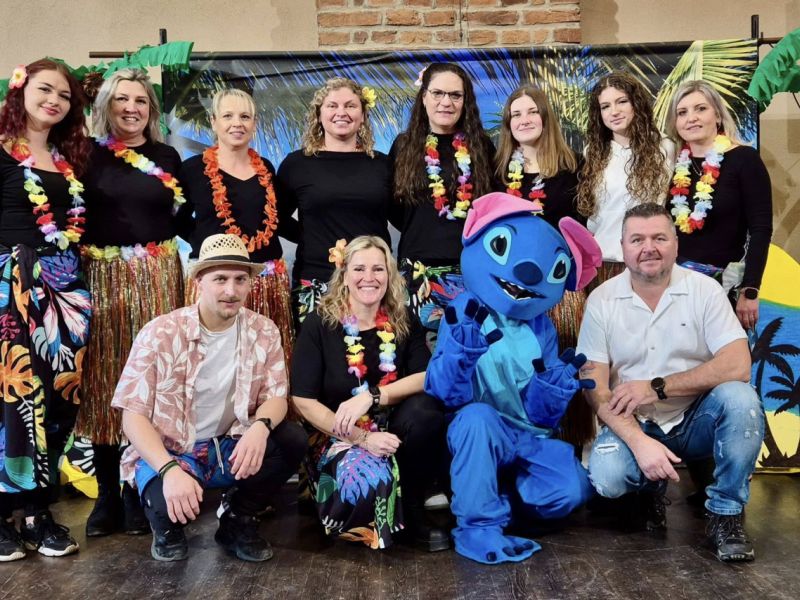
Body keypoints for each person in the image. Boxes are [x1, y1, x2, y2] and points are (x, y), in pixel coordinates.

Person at [577, 203, 764, 562]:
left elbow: (738, 364)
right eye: (637, 239)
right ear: (623, 247)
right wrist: (639, 443)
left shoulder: (705, 290)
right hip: (635, 422)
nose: (649, 248)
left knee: (741, 399)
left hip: (697, 418)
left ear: (676, 244)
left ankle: (726, 515)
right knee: (609, 479)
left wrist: (656, 386)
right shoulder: (601, 300)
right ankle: (649, 488)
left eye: (659, 238)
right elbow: (595, 387)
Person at [111, 233, 307, 562]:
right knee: (168, 511)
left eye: (240, 280)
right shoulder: (160, 332)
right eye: (220, 279)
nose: (231, 291)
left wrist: (260, 427)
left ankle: (238, 517)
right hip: (173, 450)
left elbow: (276, 397)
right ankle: (164, 522)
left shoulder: (264, 330)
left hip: (228, 445)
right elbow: (132, 416)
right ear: (199, 281)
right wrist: (169, 469)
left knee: (291, 438)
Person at [75, 68, 191, 538]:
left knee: (155, 384)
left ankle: (139, 488)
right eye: (122, 99)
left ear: (151, 109)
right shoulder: (86, 155)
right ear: (107, 105)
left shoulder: (167, 156)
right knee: (108, 382)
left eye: (140, 100)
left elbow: (184, 219)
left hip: (159, 279)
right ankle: (107, 493)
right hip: (105, 280)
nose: (131, 108)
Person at [291, 236, 449, 551]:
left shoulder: (402, 319)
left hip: (395, 430)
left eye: (378, 269)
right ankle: (371, 517)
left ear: (389, 275)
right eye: (359, 268)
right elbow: (303, 400)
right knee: (368, 483)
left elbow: (425, 376)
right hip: (339, 434)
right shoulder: (320, 323)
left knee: (426, 411)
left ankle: (412, 509)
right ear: (344, 275)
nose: (369, 277)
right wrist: (362, 439)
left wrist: (372, 396)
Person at [0, 58, 91, 559]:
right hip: (11, 283)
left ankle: (38, 511)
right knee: (15, 397)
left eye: (63, 95)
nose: (54, 100)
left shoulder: (65, 159)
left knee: (61, 395)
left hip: (66, 286)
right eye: (45, 89)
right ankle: (2, 512)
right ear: (21, 89)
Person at [494, 86, 593, 446]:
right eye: (516, 114)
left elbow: (580, 230)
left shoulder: (574, 167)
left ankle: (573, 445)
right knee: (521, 366)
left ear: (546, 117)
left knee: (564, 362)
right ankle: (523, 443)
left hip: (560, 291)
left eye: (531, 112)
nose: (524, 120)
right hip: (513, 293)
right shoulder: (499, 172)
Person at [180, 88, 294, 366]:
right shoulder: (192, 169)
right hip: (217, 282)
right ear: (213, 121)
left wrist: (321, 240)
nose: (237, 123)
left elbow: (277, 220)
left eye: (245, 117)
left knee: (263, 360)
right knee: (213, 362)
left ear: (254, 124)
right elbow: (177, 220)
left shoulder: (266, 168)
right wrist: (205, 245)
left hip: (266, 281)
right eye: (228, 116)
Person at [390, 63, 495, 345]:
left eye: (455, 95)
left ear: (465, 101)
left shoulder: (482, 146)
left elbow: (490, 208)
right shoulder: (403, 146)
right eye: (437, 93)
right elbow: (394, 209)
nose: (446, 102)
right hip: (418, 273)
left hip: (470, 271)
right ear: (424, 97)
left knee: (470, 352)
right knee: (420, 357)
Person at [277, 78, 391, 325]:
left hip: (372, 284)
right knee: (315, 349)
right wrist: (310, 236)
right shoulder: (297, 164)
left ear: (363, 115)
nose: (341, 112)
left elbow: (403, 216)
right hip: (316, 280)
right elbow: (276, 218)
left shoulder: (383, 165)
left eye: (350, 106)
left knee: (376, 348)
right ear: (319, 115)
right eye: (332, 106)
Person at [665, 79, 772, 331]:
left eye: (700, 109)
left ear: (718, 115)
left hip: (726, 288)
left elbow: (761, 229)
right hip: (676, 287)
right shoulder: (672, 164)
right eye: (682, 112)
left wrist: (750, 289)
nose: (691, 118)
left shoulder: (744, 159)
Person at [577, 71, 675, 287]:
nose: (614, 111)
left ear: (636, 104)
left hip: (650, 262)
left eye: (622, 101)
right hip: (604, 263)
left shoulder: (665, 148)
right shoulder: (592, 153)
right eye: (605, 106)